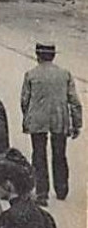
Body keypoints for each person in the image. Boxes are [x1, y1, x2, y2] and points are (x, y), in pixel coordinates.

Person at [20, 40, 82, 203]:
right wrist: (77, 123)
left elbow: (24, 100)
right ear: (53, 56)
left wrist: (26, 119)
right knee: (60, 154)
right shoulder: (65, 74)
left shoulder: (31, 74)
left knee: (38, 154)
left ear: (37, 55)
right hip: (59, 118)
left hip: (37, 119)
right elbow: (74, 100)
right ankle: (61, 190)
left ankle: (42, 192)